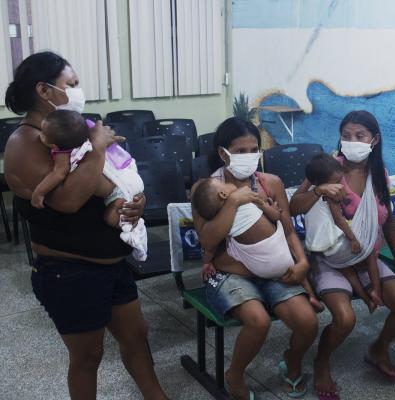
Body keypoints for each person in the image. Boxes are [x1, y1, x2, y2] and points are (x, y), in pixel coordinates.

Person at [3, 52, 167, 399]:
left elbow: (115, 174)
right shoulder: (27, 142)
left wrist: (135, 203)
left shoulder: (75, 129)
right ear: (44, 91)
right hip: (70, 272)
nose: (79, 91)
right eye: (71, 84)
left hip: (112, 266)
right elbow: (68, 202)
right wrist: (95, 149)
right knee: (88, 357)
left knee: (137, 337)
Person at [290, 110, 395, 399]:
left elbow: (386, 220)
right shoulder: (327, 169)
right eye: (346, 135)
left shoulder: (379, 174)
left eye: (359, 136)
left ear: (374, 140)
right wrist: (319, 190)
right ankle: (322, 362)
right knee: (346, 319)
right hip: (332, 258)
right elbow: (295, 206)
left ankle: (378, 349)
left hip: (366, 256)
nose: (352, 141)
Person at [191, 117, 318, 399]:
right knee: (257, 321)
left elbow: (288, 232)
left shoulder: (270, 183)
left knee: (308, 322)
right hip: (231, 272)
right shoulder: (207, 189)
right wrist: (235, 200)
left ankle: (292, 360)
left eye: (253, 149)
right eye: (240, 151)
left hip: (274, 269)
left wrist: (302, 263)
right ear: (223, 153)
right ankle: (234, 374)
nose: (249, 157)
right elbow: (208, 240)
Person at [31, 109, 147, 261]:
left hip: (118, 191)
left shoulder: (63, 153)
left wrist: (39, 192)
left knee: (111, 218)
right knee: (117, 217)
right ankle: (134, 229)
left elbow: (58, 173)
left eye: (43, 133)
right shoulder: (87, 143)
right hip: (125, 181)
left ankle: (135, 230)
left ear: (52, 144)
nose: (40, 135)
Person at [191, 176, 321, 310]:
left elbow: (209, 248)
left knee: (232, 245)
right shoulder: (248, 197)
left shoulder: (223, 220)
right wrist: (274, 210)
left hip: (258, 269)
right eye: (223, 184)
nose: (228, 184)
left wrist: (207, 263)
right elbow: (275, 216)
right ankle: (311, 295)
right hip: (285, 261)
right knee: (289, 254)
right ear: (223, 194)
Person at [303, 153, 382, 312]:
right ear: (323, 183)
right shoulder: (330, 195)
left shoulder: (310, 193)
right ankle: (376, 289)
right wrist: (353, 239)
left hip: (325, 250)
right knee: (370, 253)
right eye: (337, 181)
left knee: (347, 270)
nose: (340, 184)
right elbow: (339, 220)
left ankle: (367, 300)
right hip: (336, 245)